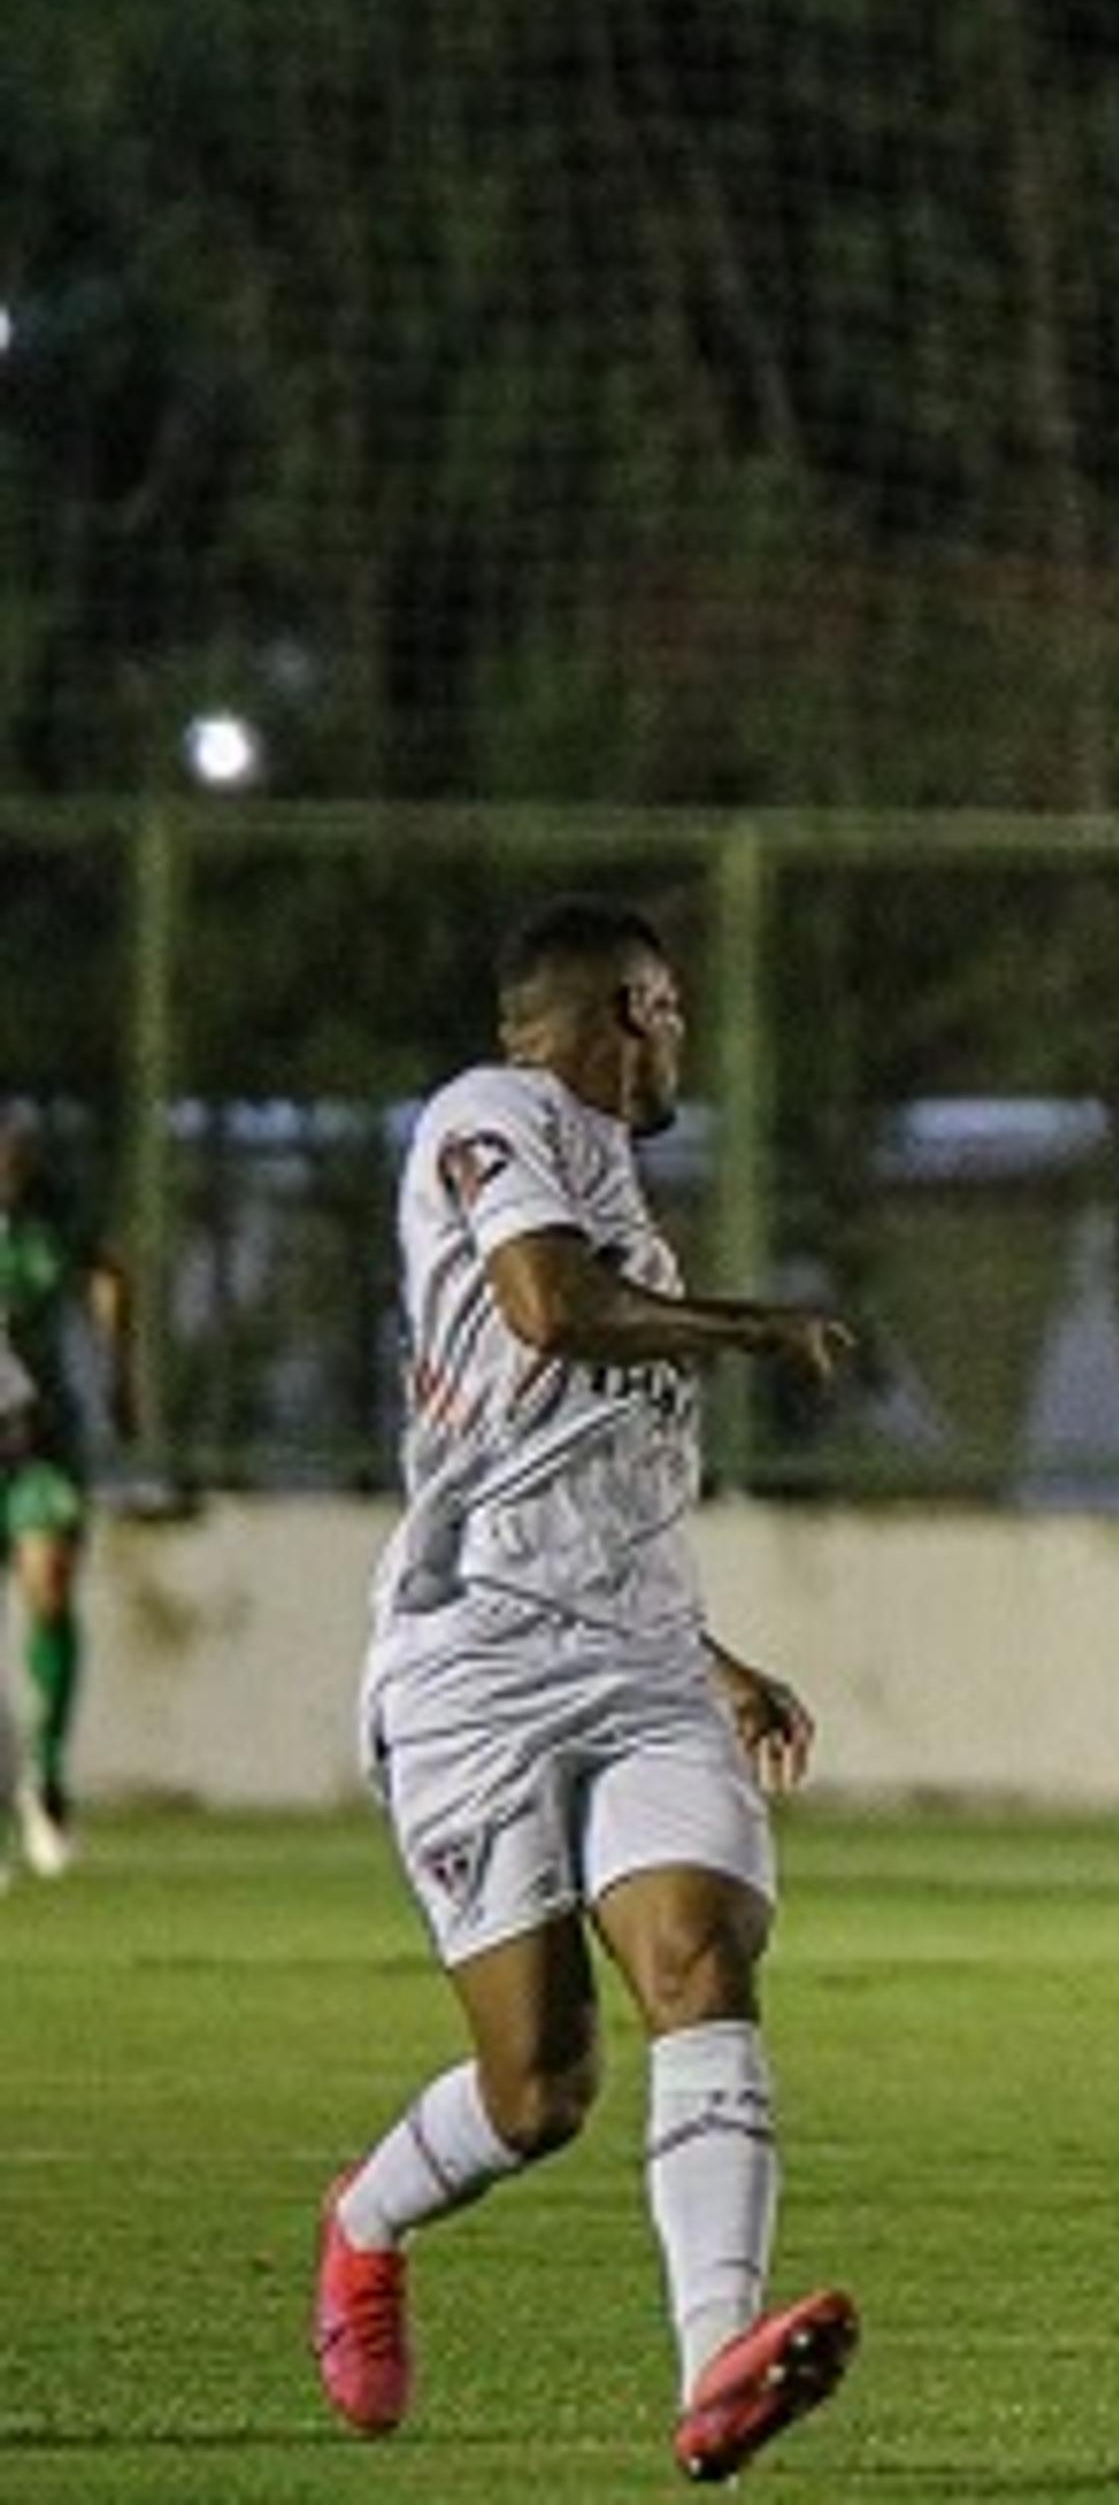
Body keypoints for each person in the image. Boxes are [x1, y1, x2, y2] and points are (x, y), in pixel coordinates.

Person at [312, 899, 863, 2480]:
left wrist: (714, 1655)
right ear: (621, 1008)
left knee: (696, 1959)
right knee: (540, 2086)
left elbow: (594, 1486)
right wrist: (757, 1327)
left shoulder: (626, 1200)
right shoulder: (490, 1117)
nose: (680, 1037)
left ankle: (717, 2370)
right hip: (473, 1662)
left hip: (635, 1662)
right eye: (669, 1010)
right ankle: (364, 2222)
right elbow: (550, 1307)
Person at [0, 1105, 143, 1880]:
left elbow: (111, 1271)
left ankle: (46, 1782)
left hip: (38, 1433)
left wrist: (120, 1373)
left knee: (49, 1588)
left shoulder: (57, 1210)